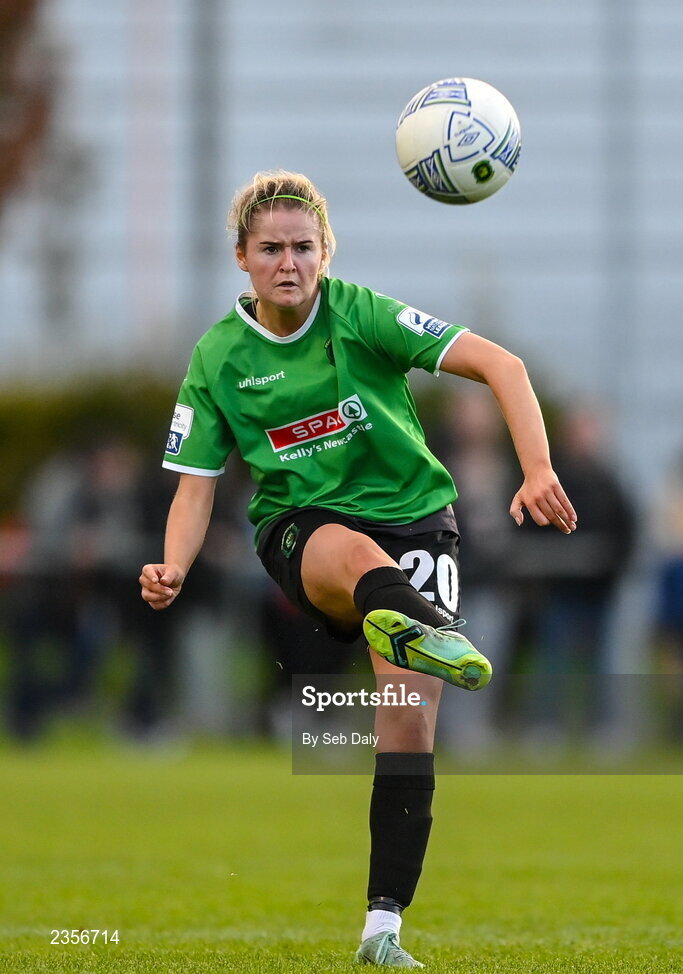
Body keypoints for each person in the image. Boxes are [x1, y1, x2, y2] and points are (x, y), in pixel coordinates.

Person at [139, 170, 577, 968]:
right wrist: (172, 565)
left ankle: (382, 929)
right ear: (241, 257)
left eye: (304, 248)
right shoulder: (218, 358)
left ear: (325, 253)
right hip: (301, 529)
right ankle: (420, 622)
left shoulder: (363, 313)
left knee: (407, 722)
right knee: (352, 552)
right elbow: (193, 488)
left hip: (416, 517)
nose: (289, 263)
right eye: (270, 248)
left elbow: (503, 366)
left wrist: (537, 468)